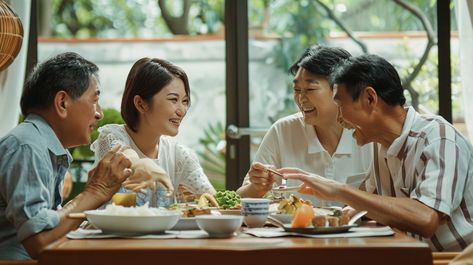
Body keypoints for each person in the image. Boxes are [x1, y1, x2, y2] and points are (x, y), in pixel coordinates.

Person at [280, 54, 473, 251]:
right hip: (412, 256)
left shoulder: (438, 138)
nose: (338, 118)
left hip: (453, 260)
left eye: (340, 106)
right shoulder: (380, 145)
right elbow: (365, 205)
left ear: (370, 98)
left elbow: (426, 219)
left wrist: (339, 190)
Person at [0, 52, 133, 260]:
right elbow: (39, 240)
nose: (99, 113)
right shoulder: (27, 146)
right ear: (62, 102)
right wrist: (95, 192)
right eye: (94, 100)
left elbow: (51, 226)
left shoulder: (42, 145)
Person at [237, 45, 372, 205]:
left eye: (310, 89)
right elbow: (240, 198)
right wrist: (257, 187)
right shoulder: (282, 131)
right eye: (296, 90)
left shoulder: (370, 136)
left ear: (340, 90)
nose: (301, 99)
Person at [91, 57, 216, 207]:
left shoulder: (179, 154)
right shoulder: (111, 136)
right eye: (173, 100)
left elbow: (213, 199)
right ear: (140, 104)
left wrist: (251, 188)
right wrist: (142, 164)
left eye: (184, 101)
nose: (182, 110)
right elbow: (126, 156)